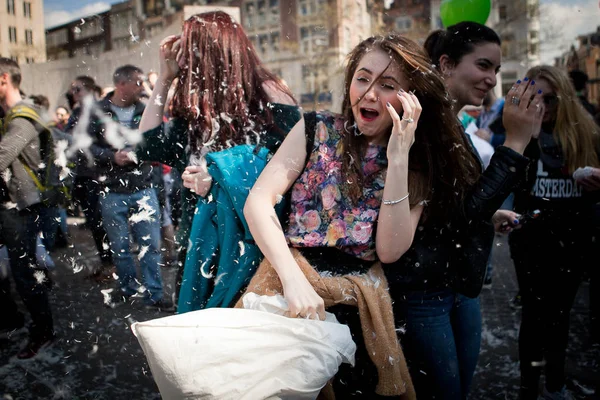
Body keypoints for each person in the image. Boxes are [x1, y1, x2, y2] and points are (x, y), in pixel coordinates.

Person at [242, 32, 489, 397]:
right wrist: (293, 280)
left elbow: (390, 250)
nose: (369, 93)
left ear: (410, 99)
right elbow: (258, 203)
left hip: (362, 313)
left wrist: (400, 154)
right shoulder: (316, 128)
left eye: (387, 85)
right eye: (362, 78)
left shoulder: (420, 163)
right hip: (291, 293)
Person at [379, 22, 544, 399]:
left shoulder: (453, 124)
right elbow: (454, 215)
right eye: (483, 65)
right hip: (423, 297)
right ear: (447, 64)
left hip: (458, 289)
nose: (491, 79)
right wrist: (514, 142)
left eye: (497, 71)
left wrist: (491, 213)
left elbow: (456, 206)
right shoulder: (417, 123)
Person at [137, 11, 297, 306]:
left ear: (212, 52)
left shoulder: (270, 99)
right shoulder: (197, 112)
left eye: (187, 50)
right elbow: (146, 146)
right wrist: (165, 77)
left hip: (256, 252)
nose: (182, 60)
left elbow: (292, 169)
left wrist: (220, 177)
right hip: (199, 251)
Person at [508, 65, 600, 400]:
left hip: (574, 238)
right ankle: (528, 387)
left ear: (563, 99)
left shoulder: (586, 132)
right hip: (531, 238)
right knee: (534, 316)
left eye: (549, 99)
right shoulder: (520, 132)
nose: (541, 106)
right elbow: (502, 178)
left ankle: (556, 382)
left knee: (560, 315)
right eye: (535, 97)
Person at [88, 64, 172, 310]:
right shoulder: (97, 112)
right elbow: (86, 148)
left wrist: (141, 152)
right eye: (137, 82)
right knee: (120, 248)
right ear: (121, 84)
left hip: (143, 188)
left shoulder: (145, 110)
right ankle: (127, 290)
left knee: (150, 247)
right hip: (112, 191)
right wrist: (111, 157)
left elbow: (157, 142)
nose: (142, 87)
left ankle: (154, 294)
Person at [0, 57, 55, 359]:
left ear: (4, 79)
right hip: (15, 206)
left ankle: (43, 332)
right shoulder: (13, 114)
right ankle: (19, 319)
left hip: (20, 208)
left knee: (25, 275)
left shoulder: (22, 118)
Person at [65, 75, 113, 278]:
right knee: (94, 222)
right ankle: (106, 263)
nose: (73, 94)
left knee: (102, 223)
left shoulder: (100, 110)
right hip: (82, 174)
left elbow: (108, 143)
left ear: (89, 89)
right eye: (71, 91)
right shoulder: (77, 111)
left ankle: (112, 266)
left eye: (77, 90)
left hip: (98, 174)